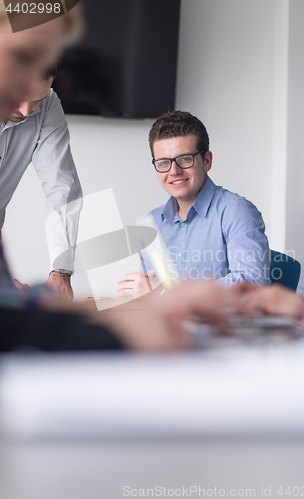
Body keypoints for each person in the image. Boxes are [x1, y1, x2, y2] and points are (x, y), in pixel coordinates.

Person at [0, 2, 244, 352]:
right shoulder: (156, 221)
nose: (24, 111)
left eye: (41, 67)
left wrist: (61, 279)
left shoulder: (228, 212)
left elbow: (62, 189)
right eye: (23, 57)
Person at [117, 111, 270, 298]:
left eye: (184, 159)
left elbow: (252, 284)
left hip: (222, 326)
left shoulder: (235, 211)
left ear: (206, 161)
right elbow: (152, 294)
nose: (174, 171)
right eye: (164, 162)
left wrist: (166, 293)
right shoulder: (153, 222)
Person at [1, 65, 82, 301]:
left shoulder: (48, 105)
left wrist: (61, 272)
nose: (26, 112)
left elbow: (61, 187)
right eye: (19, 98)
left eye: (35, 101)